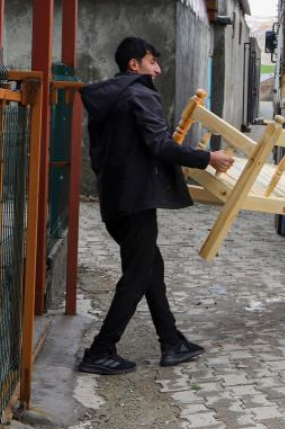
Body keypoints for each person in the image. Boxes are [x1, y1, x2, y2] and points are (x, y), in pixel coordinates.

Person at [78, 37, 234, 374]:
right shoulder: (139, 93)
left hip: (116, 199)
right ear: (134, 65)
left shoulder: (111, 98)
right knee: (137, 276)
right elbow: (160, 145)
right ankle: (100, 351)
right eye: (152, 62)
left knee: (152, 269)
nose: (158, 69)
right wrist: (208, 157)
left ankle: (171, 341)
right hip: (135, 201)